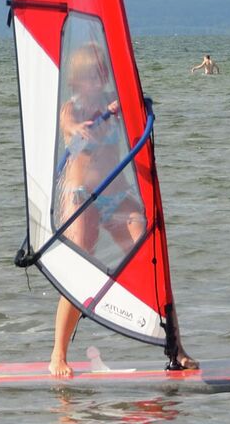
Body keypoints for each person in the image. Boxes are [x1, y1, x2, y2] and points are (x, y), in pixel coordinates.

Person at [48, 39, 195, 377]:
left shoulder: (115, 105)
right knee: (78, 270)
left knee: (152, 258)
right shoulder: (72, 109)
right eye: (91, 75)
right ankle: (58, 354)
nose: (97, 80)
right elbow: (68, 128)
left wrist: (132, 107)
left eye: (101, 74)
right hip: (82, 195)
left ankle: (176, 346)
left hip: (116, 195)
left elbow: (138, 117)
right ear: (77, 80)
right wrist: (80, 128)